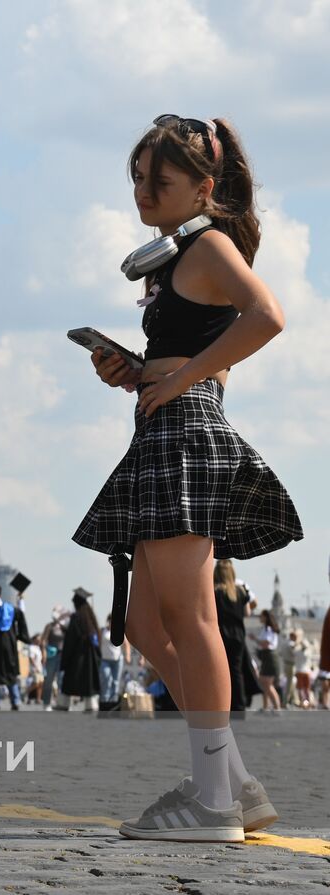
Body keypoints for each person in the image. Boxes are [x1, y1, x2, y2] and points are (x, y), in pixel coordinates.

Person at [75, 116, 300, 842]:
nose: (142, 193)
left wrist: (181, 382)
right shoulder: (181, 256)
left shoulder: (209, 244)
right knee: (145, 623)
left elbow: (267, 315)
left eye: (157, 182)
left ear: (203, 187)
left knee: (193, 618)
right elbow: (193, 348)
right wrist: (136, 374)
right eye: (137, 180)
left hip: (184, 430)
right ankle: (234, 782)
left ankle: (212, 803)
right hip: (163, 423)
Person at [212, 560, 260, 712]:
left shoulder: (214, 591)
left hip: (219, 634)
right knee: (236, 670)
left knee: (218, 670)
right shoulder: (239, 591)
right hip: (238, 635)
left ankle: (221, 704)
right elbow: (247, 613)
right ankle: (238, 705)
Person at [60, 591, 102, 712]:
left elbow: (71, 639)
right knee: (88, 680)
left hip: (76, 655)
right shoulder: (91, 618)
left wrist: (66, 657)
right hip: (89, 656)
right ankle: (91, 705)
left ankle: (64, 703)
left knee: (69, 680)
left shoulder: (76, 617)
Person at [255, 610, 284, 712]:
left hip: (269, 657)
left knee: (267, 683)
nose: (259, 618)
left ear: (265, 617)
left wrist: (255, 639)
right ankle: (266, 706)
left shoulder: (269, 629)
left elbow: (266, 643)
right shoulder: (266, 628)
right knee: (264, 682)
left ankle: (277, 707)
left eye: (261, 616)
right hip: (267, 657)